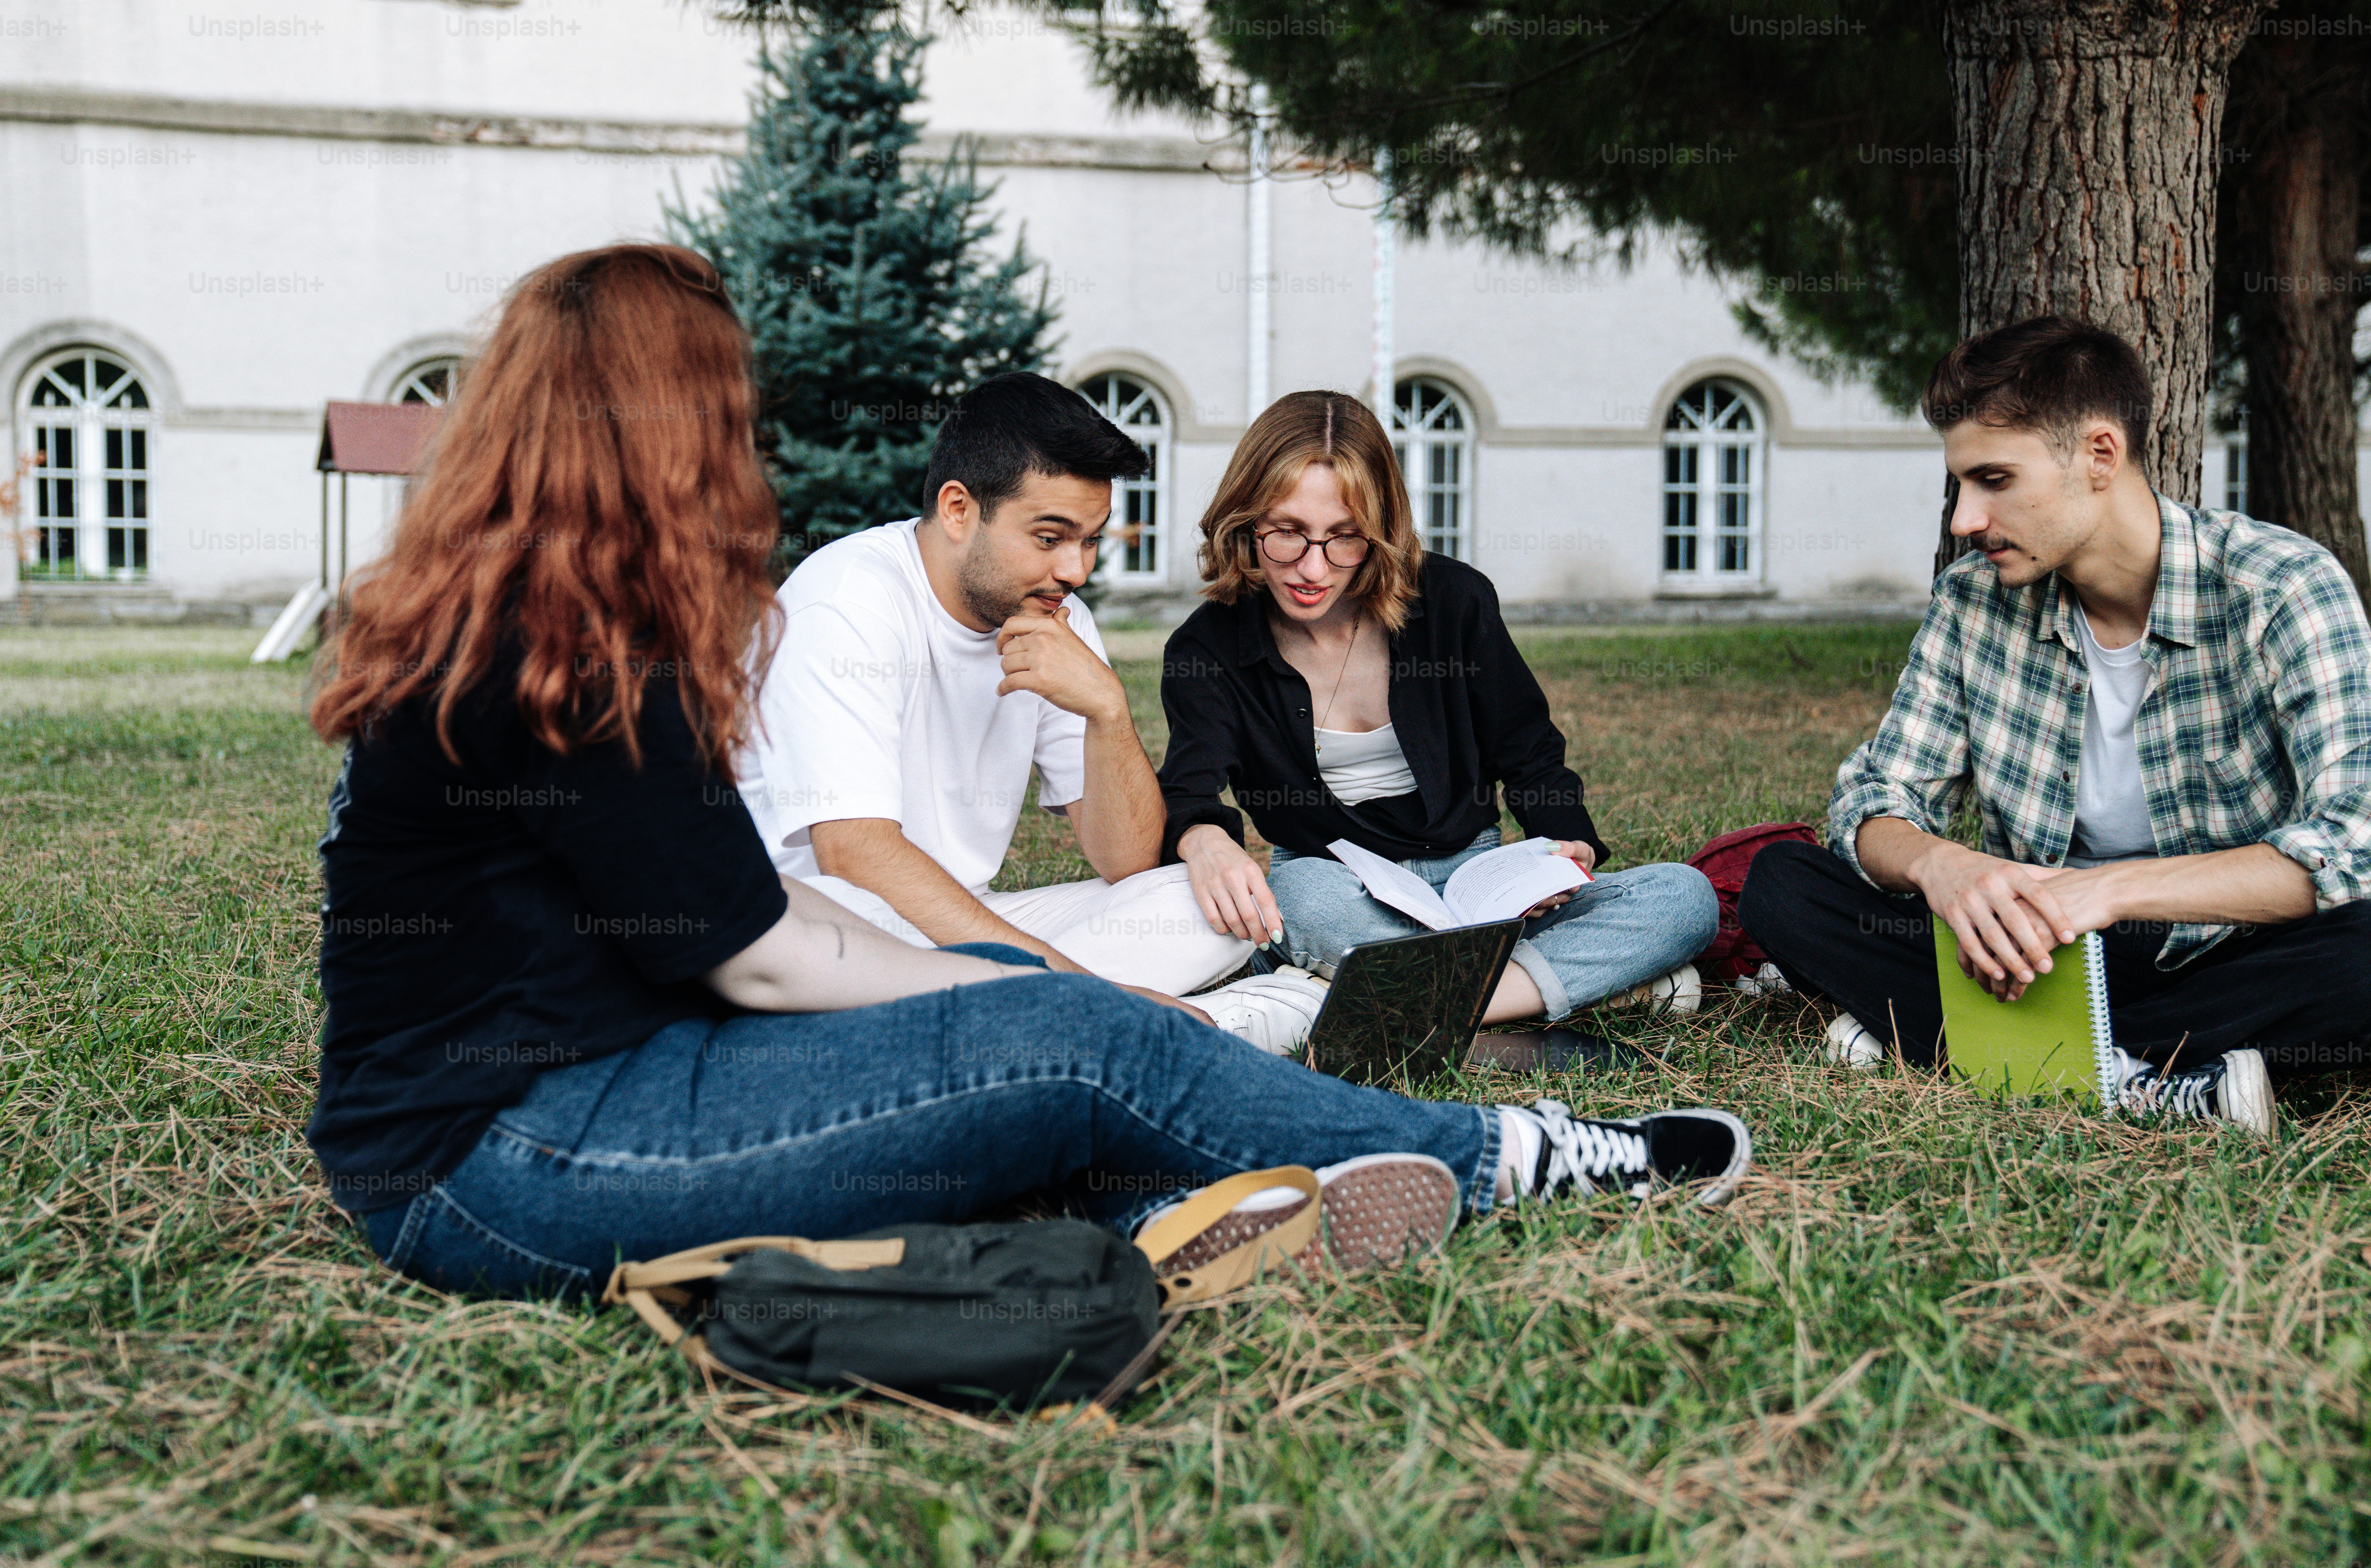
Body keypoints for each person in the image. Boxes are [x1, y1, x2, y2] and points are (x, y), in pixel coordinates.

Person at [302, 244, 1754, 1299]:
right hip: (507, 1156)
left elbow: (730, 942)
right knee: (1070, 1042)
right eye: (724, 407)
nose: (742, 442)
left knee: (1064, 1042)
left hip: (627, 1067)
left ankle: (1193, 1200)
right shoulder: (567, 644)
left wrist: (1093, 765)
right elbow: (770, 943)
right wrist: (1032, 996)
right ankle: (1515, 1154)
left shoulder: (537, 603)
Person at [1737, 315, 2371, 1136]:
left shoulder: (2282, 585)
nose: (1965, 520)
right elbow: (1876, 795)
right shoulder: (1974, 601)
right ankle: (2156, 1075)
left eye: (1994, 479)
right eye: (1961, 484)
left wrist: (2103, 893)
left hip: (2221, 947)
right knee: (1783, 885)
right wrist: (1945, 867)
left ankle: (1979, 1048)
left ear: (2100, 456)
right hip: (2030, 951)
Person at [1158, 391, 1721, 1053]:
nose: (1313, 568)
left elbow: (1529, 750)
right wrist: (1204, 838)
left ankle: (1404, 1005)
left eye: (1344, 537)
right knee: (1301, 897)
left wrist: (1568, 849)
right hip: (1339, 889)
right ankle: (1529, 994)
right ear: (1244, 521)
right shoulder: (1210, 648)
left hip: (1480, 885)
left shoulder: (1453, 601)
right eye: (1286, 533)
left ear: (1381, 530)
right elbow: (1189, 787)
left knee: (1684, 896)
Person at [731, 371, 1247, 1005]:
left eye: (1090, 541)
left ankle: (1020, 1017)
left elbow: (1127, 864)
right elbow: (852, 853)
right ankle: (1092, 1017)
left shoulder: (1057, 616)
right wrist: (1096, 996)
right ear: (958, 510)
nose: (1075, 570)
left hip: (963, 922)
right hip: (831, 930)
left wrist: (1107, 711)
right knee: (837, 925)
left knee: (1199, 908)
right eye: (1050, 538)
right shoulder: (846, 601)